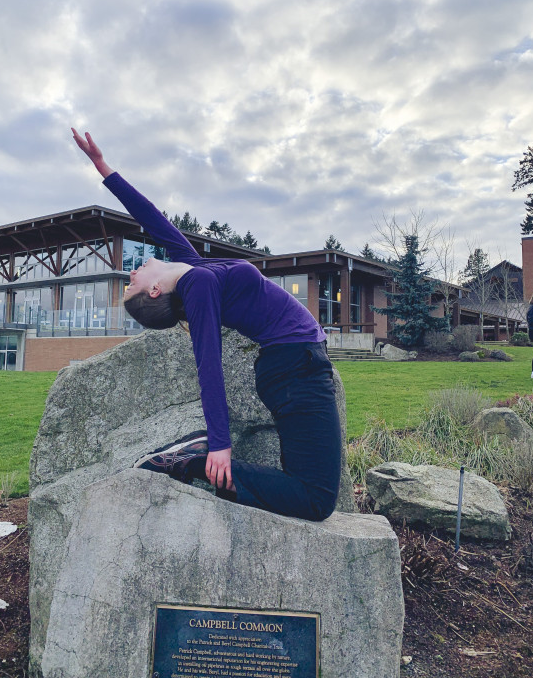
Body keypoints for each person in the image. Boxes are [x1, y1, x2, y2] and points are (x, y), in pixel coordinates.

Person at [72, 128, 342, 521]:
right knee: (316, 500)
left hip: (294, 367)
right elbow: (208, 364)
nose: (132, 272)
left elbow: (152, 217)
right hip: (296, 368)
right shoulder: (197, 285)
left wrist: (102, 166)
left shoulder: (192, 268)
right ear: (153, 293)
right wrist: (220, 443)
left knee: (303, 487)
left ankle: (210, 474)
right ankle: (197, 463)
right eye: (132, 283)